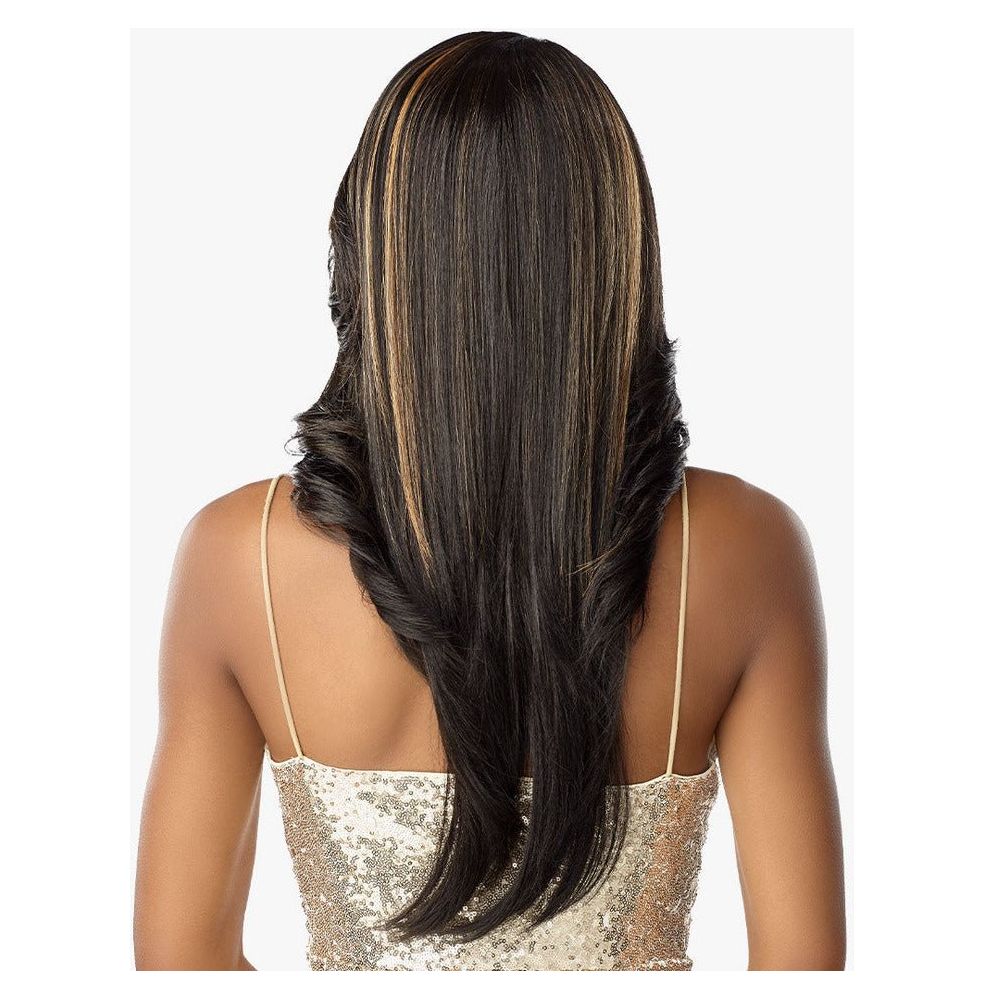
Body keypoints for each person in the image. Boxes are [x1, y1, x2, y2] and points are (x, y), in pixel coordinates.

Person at [133, 30, 846, 971]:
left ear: (370, 249)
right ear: (615, 256)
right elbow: (804, 968)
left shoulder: (242, 555)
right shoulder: (746, 546)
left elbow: (178, 966)